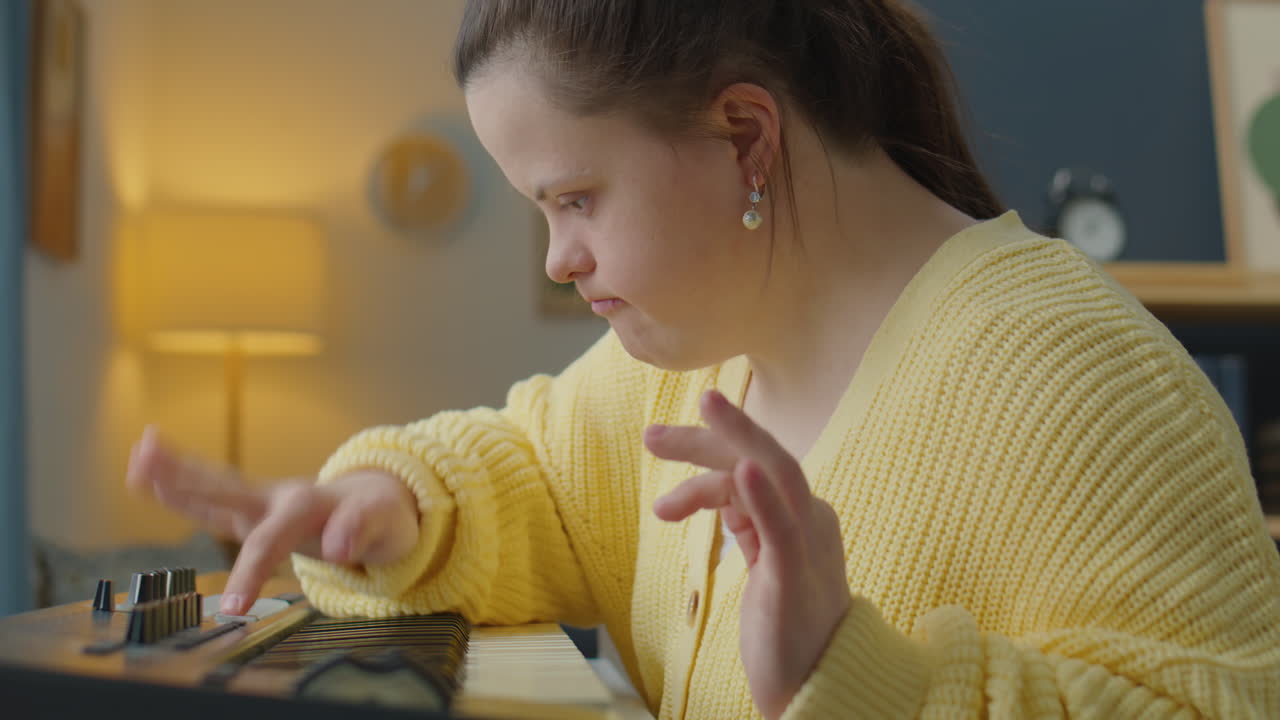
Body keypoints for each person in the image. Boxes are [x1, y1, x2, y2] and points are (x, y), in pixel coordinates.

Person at [126, 1, 1280, 717]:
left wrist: (853, 671)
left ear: (744, 137)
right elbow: (533, 474)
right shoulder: (697, 357)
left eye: (573, 196)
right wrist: (385, 504)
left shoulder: (1071, 379)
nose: (559, 258)